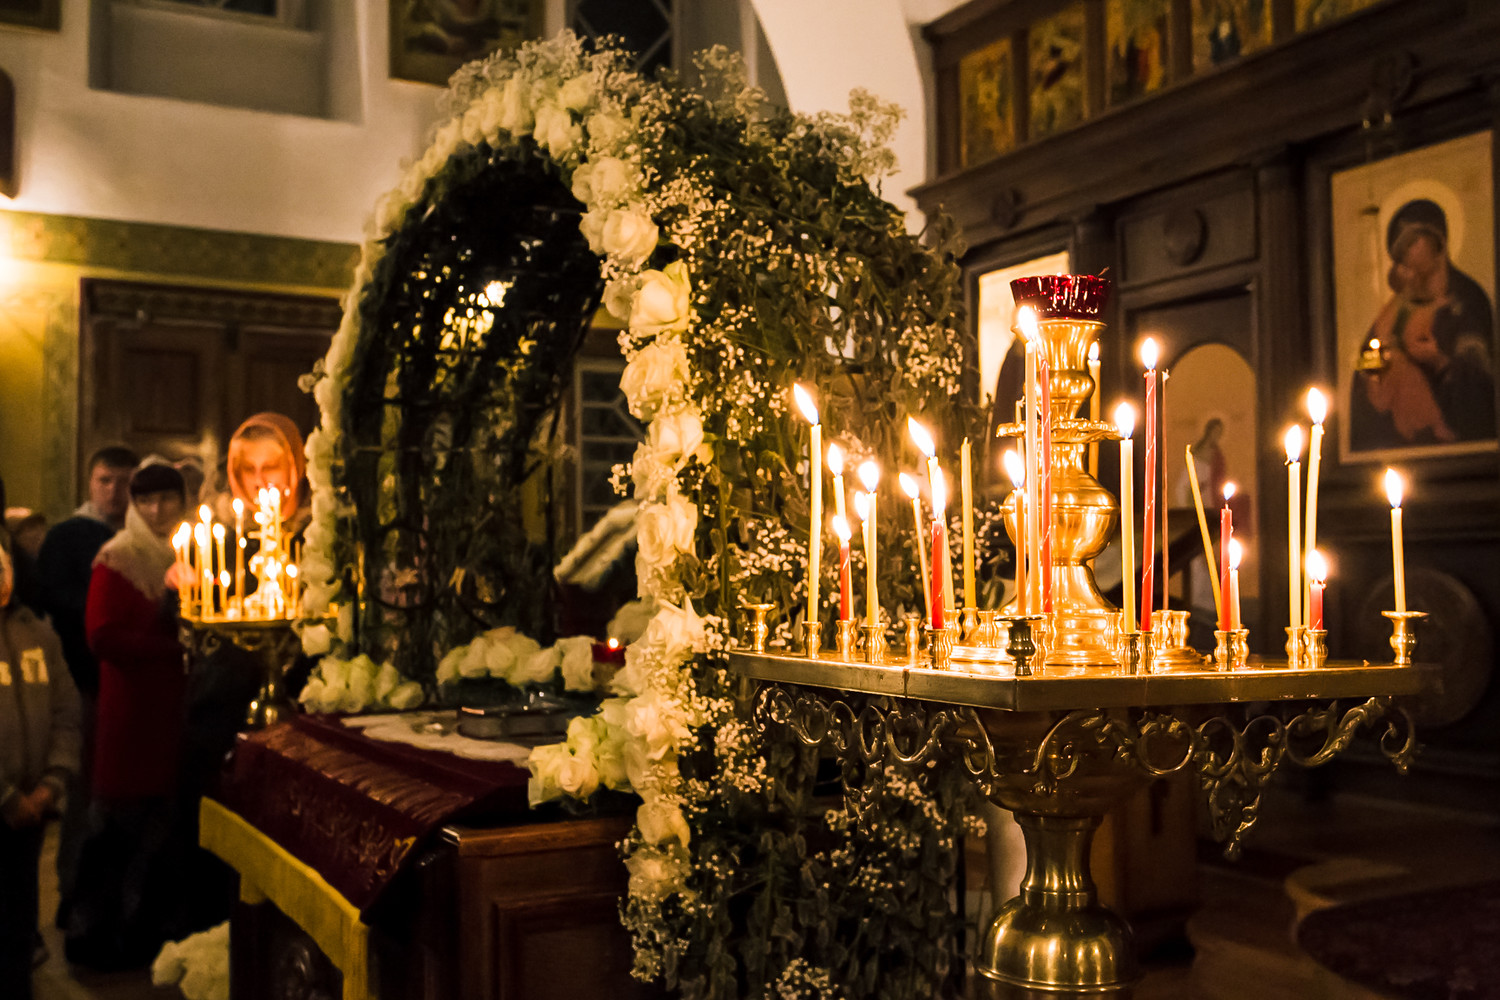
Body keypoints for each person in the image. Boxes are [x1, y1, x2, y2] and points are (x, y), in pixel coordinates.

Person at [65, 462, 187, 971]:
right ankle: (93, 937)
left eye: (167, 499)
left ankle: (141, 937)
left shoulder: (190, 553)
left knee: (159, 836)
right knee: (114, 832)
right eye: (147, 501)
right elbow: (101, 636)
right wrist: (171, 650)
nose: (157, 511)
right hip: (130, 716)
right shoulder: (117, 557)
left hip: (173, 715)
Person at [33, 443, 138, 931]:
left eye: (124, 482)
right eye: (104, 481)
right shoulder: (68, 536)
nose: (114, 492)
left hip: (134, 686)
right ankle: (73, 895)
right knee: (85, 794)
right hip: (84, 680)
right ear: (89, 483)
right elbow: (54, 600)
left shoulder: (145, 534)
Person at [0, 535, 81, 1000]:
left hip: (33, 808)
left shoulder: (38, 635)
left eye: (3, 564)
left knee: (21, 922)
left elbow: (67, 713)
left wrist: (52, 782)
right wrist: (6, 797)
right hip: (7, 804)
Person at [1351, 199, 1497, 451]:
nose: (1407, 255)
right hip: (1395, 441)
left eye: (1413, 241)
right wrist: (1382, 364)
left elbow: (1482, 383)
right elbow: (1365, 369)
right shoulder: (1396, 308)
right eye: (1402, 250)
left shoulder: (1468, 299)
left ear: (1438, 244)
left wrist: (1439, 362)